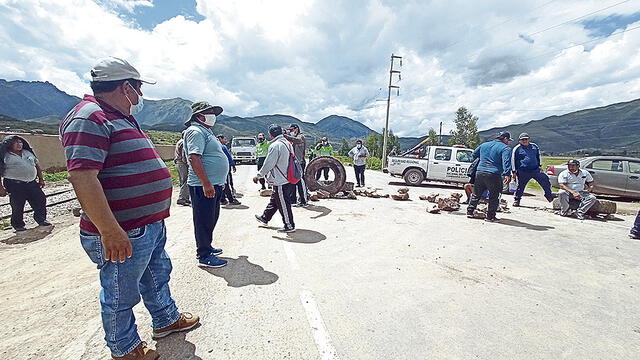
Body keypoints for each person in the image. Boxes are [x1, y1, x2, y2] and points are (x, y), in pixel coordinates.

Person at [59, 57, 198, 360]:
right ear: (126, 87)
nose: (140, 97)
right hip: (123, 229)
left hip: (146, 224)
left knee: (156, 274)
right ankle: (124, 348)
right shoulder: (89, 117)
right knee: (121, 293)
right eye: (138, 89)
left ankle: (165, 319)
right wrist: (110, 230)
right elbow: (82, 176)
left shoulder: (118, 116)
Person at [183, 101, 229, 268]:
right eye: (209, 112)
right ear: (199, 116)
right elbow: (194, 158)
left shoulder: (205, 131)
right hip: (203, 185)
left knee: (211, 217)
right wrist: (206, 183)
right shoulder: (195, 131)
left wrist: (219, 182)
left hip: (213, 184)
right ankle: (204, 255)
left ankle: (207, 246)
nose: (213, 116)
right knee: (203, 219)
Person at [0, 135, 50, 231]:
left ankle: (41, 219)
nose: (19, 144)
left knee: (40, 200)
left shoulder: (27, 153)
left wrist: (41, 179)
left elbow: (37, 165)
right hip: (14, 184)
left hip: (31, 183)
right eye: (16, 142)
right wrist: (1, 188)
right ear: (10, 144)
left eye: (20, 142)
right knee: (17, 205)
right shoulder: (5, 156)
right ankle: (18, 225)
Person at [254, 124, 296, 233]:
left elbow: (269, 164)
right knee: (275, 199)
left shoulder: (275, 145)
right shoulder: (287, 143)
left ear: (270, 134)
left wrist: (259, 175)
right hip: (288, 177)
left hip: (281, 179)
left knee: (283, 203)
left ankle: (289, 225)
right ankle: (265, 217)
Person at [466, 131, 513, 222]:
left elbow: (474, 154)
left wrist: (483, 159)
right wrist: (507, 174)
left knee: (476, 193)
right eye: (508, 140)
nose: (508, 142)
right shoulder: (505, 148)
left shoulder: (484, 145)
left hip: (480, 172)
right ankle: (490, 216)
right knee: (494, 195)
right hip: (493, 174)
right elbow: (506, 161)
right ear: (505, 139)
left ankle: (470, 211)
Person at [511, 133, 554, 206]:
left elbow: (538, 156)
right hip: (523, 171)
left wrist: (540, 165)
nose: (524, 141)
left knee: (545, 180)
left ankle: (549, 195)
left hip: (535, 170)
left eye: (526, 139)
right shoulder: (517, 148)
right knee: (520, 186)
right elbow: (513, 160)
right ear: (519, 141)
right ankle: (517, 200)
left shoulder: (534, 146)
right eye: (522, 139)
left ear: (529, 139)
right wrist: (514, 171)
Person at [283, 124, 308, 207]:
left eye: (291, 130)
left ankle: (304, 200)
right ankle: (292, 199)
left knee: (300, 182)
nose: (290, 132)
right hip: (293, 163)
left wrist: (285, 136)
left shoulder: (301, 137)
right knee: (292, 181)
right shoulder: (292, 139)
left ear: (296, 129)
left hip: (300, 162)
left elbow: (297, 140)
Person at [217, 134, 241, 206]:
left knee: (221, 183)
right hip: (225, 168)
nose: (226, 141)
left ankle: (222, 199)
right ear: (220, 139)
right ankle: (231, 199)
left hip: (217, 169)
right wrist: (233, 165)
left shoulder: (214, 147)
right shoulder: (223, 147)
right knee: (227, 183)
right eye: (224, 139)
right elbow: (229, 157)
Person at [174, 135, 191, 206]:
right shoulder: (183, 142)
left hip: (178, 163)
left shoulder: (179, 142)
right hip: (182, 163)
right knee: (186, 180)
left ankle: (185, 197)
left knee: (182, 180)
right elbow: (183, 155)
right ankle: (182, 199)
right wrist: (187, 163)